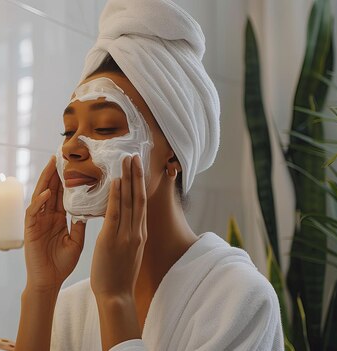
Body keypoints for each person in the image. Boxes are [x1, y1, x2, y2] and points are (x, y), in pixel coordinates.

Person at [15, 0, 284, 350]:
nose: (71, 148)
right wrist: (41, 289)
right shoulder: (71, 306)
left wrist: (116, 301)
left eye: (106, 127)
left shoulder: (240, 301)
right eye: (67, 131)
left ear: (173, 153)